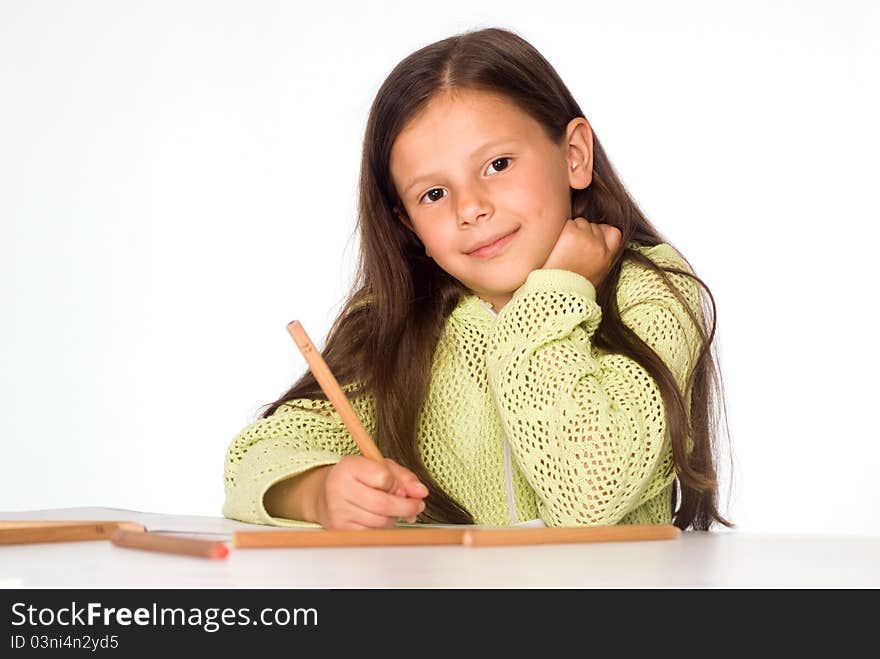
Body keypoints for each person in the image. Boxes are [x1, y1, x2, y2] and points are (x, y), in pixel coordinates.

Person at [222, 26, 734, 532]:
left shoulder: (652, 295)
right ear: (407, 221)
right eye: (434, 195)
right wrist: (317, 491)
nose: (470, 208)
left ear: (574, 155)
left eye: (498, 164)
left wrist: (554, 294)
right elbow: (257, 458)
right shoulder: (397, 320)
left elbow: (590, 494)